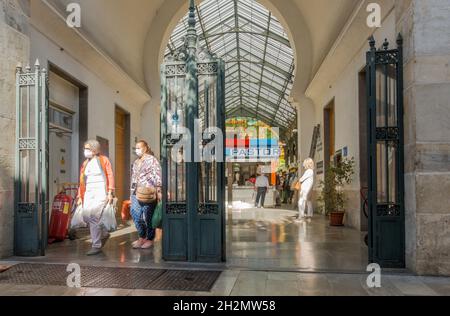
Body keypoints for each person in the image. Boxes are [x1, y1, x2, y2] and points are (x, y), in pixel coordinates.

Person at [76, 140, 115, 256]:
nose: (85, 151)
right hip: (88, 192)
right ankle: (103, 233)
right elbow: (82, 180)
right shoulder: (85, 163)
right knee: (86, 216)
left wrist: (110, 192)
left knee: (94, 217)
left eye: (87, 149)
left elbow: (110, 175)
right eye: (85, 149)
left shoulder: (104, 160)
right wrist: (79, 195)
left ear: (94, 149)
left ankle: (96, 245)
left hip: (100, 192)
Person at [130, 140, 162, 250]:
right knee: (135, 214)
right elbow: (134, 177)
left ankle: (149, 238)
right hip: (135, 192)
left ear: (146, 148)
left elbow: (158, 174)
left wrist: (159, 190)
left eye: (139, 147)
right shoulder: (136, 162)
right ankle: (142, 236)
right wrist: (131, 192)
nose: (137, 150)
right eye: (136, 148)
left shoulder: (152, 160)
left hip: (148, 191)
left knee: (148, 216)